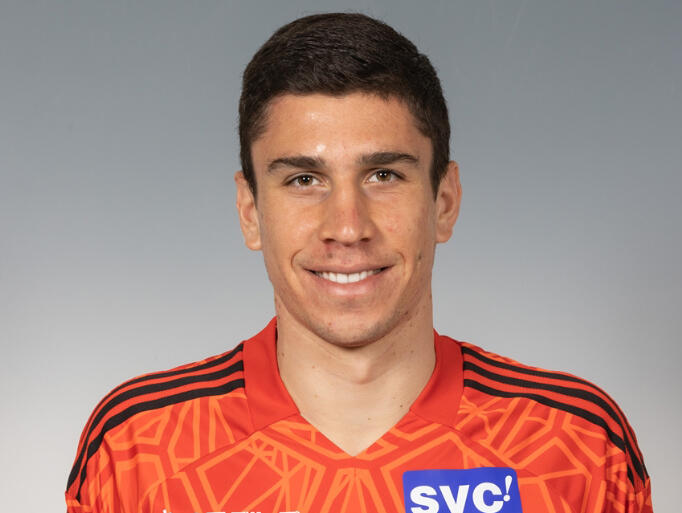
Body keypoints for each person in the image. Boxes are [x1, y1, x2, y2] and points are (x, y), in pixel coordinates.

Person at [66, 12, 652, 513]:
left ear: (444, 203)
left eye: (384, 175)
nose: (347, 228)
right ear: (250, 212)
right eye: (304, 179)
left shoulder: (577, 445)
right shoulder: (136, 447)